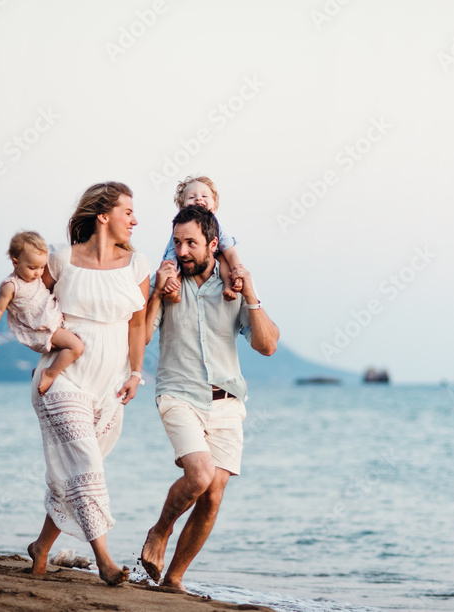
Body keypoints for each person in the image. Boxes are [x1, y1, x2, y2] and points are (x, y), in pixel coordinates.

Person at [139, 205, 279, 591]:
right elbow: (144, 337)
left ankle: (174, 579)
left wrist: (250, 293)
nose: (182, 251)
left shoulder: (233, 287)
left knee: (213, 496)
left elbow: (267, 346)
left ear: (213, 245)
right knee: (199, 476)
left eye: (191, 243)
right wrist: (155, 292)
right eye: (177, 243)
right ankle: (159, 531)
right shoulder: (169, 286)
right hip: (178, 395)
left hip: (228, 403)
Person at [25, 182, 149, 586]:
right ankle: (105, 561)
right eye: (127, 211)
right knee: (87, 465)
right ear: (103, 216)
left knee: (74, 472)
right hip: (60, 379)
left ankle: (41, 546)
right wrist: (46, 344)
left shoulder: (136, 266)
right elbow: (32, 307)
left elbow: (137, 326)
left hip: (110, 386)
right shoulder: (60, 261)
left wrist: (135, 374)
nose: (134, 219)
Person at [0, 231, 85, 395]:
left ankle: (39, 370)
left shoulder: (36, 277)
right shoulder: (11, 286)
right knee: (76, 347)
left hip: (54, 319)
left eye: (42, 267)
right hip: (44, 328)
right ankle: (49, 373)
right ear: (15, 262)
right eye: (32, 268)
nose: (38, 272)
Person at [161, 176, 244, 303]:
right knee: (176, 260)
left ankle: (228, 285)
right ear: (183, 209)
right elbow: (171, 254)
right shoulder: (179, 231)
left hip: (212, 257)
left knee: (223, 258)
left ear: (214, 207)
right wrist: (171, 276)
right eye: (191, 197)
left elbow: (230, 251)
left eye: (204, 196)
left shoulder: (218, 228)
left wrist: (238, 270)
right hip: (189, 262)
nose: (198, 198)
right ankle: (174, 290)